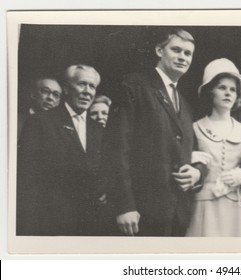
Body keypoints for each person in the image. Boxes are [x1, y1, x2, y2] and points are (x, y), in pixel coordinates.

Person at [104, 29, 206, 236]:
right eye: (176, 50)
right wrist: (125, 205)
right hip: (140, 213)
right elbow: (116, 147)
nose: (182, 57)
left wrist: (197, 173)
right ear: (160, 50)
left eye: (188, 54)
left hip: (177, 213)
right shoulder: (134, 85)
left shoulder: (184, 104)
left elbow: (194, 149)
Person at [17, 64, 110, 236]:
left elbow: (106, 169)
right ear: (66, 88)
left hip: (92, 223)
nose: (87, 91)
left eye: (92, 87)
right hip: (51, 223)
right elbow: (26, 176)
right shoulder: (40, 122)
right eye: (82, 84)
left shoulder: (100, 129)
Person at [186, 58, 241, 237]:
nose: (228, 93)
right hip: (204, 206)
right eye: (222, 88)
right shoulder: (195, 128)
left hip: (238, 207)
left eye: (233, 89)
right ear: (210, 91)